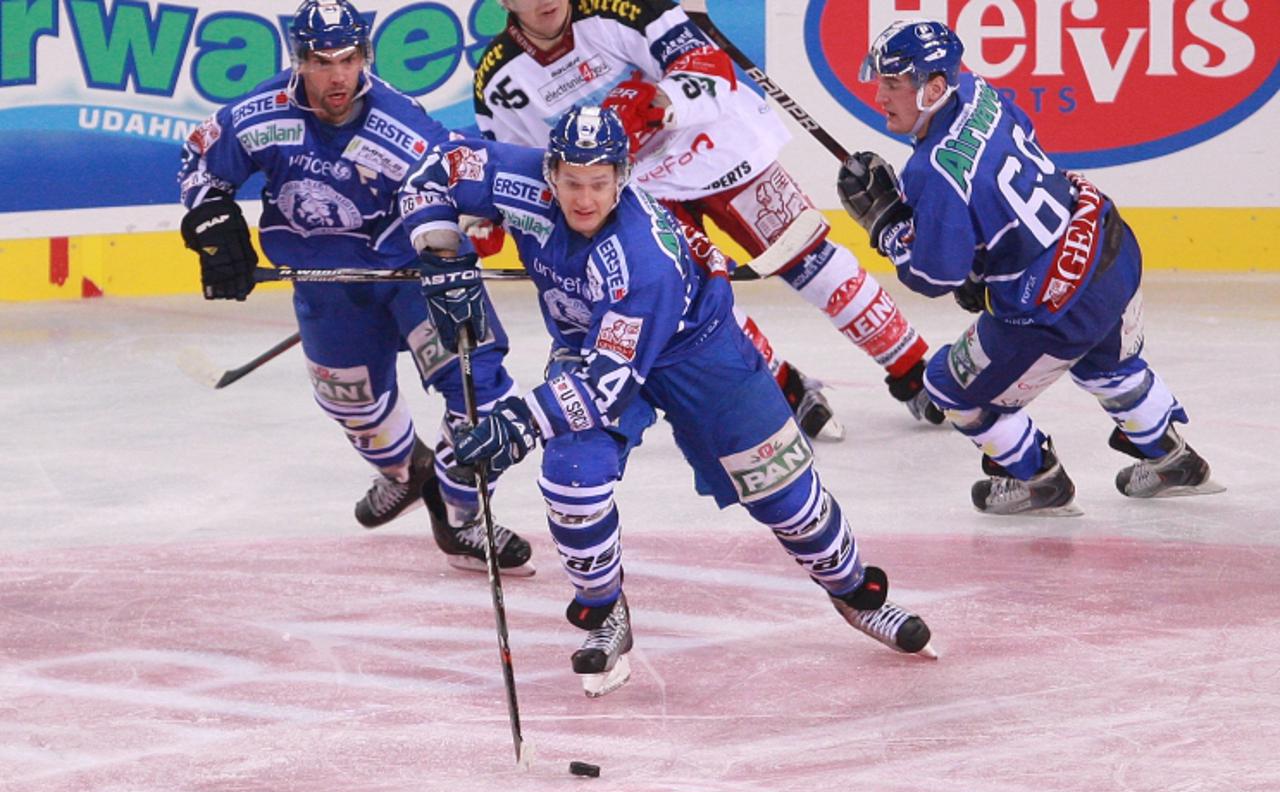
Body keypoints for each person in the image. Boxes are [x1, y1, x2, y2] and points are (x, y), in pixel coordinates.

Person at [399, 105, 937, 698]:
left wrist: (517, 424)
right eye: (572, 182)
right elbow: (430, 169)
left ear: (622, 177)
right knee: (571, 479)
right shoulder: (517, 177)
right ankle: (604, 614)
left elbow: (606, 387)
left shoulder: (639, 258)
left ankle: (855, 592)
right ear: (550, 172)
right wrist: (442, 253)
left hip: (699, 352)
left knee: (787, 496)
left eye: (599, 183)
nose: (583, 198)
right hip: (588, 344)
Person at [468, 0, 947, 436]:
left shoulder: (619, 8)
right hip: (634, 193)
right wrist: (491, 214)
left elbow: (710, 65)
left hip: (713, 145)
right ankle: (783, 386)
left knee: (808, 256)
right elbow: (528, 166)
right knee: (698, 300)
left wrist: (658, 105)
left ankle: (913, 370)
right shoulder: (497, 80)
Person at [177, 0, 533, 572]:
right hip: (325, 284)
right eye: (321, 61)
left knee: (478, 385)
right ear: (299, 60)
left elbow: (447, 180)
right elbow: (201, 164)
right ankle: (407, 471)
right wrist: (213, 223)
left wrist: (454, 233)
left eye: (348, 59)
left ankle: (459, 510)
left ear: (365, 55)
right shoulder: (259, 114)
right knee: (356, 408)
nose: (338, 76)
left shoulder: (402, 122)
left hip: (414, 274)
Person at [837, 20, 1223, 514]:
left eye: (893, 84)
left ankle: (1038, 479)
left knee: (949, 391)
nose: (880, 96)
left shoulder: (932, 172)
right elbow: (999, 184)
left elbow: (935, 276)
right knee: (1109, 367)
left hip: (1056, 306)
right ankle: (1174, 458)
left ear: (934, 87)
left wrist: (886, 223)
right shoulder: (977, 90)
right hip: (1108, 246)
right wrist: (986, 266)